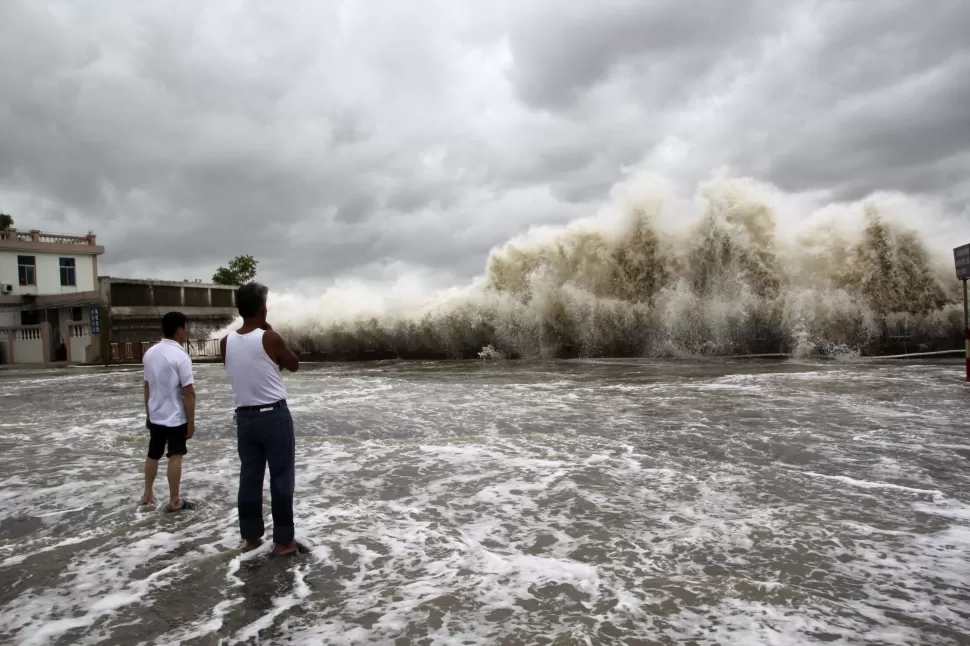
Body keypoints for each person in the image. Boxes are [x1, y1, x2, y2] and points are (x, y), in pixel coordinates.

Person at [220, 282, 301, 555]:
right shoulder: (270, 338)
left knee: (250, 477)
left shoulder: (226, 341)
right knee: (281, 477)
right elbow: (293, 364)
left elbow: (246, 366)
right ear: (262, 307)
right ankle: (284, 541)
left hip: (245, 418)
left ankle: (252, 537)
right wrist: (270, 332)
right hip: (273, 416)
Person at [142, 311, 196, 512]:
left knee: (153, 455)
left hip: (155, 415)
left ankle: (147, 494)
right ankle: (175, 500)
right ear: (179, 330)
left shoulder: (150, 353)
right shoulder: (181, 356)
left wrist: (148, 413)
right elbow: (189, 392)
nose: (187, 332)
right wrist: (190, 422)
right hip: (175, 417)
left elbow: (147, 386)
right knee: (176, 455)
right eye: (186, 328)